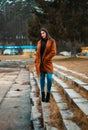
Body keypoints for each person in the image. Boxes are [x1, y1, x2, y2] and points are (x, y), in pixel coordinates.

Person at [35, 27, 56, 102]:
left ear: (46, 33)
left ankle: (48, 94)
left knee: (49, 78)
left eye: (43, 33)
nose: (42, 35)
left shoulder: (52, 41)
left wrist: (46, 58)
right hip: (40, 64)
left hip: (48, 63)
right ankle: (43, 94)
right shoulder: (39, 42)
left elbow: (53, 52)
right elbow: (38, 53)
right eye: (41, 34)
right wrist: (36, 61)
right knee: (41, 78)